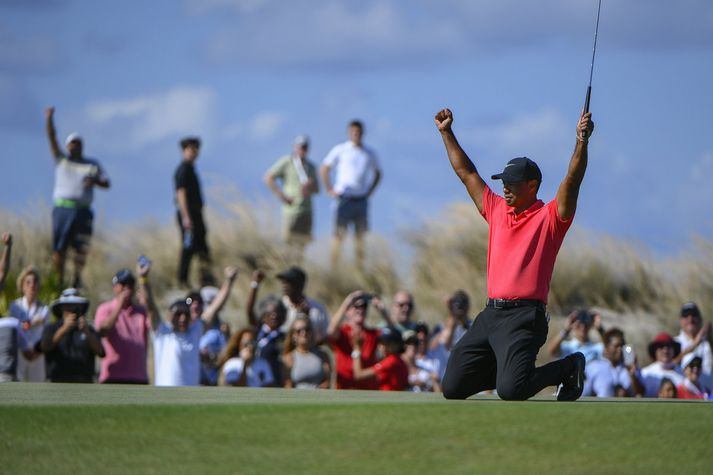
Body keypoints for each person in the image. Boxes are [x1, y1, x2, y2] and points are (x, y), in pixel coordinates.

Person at [435, 107, 594, 401]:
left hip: (524, 317)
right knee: (453, 387)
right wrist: (446, 132)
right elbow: (466, 173)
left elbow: (572, 179)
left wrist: (581, 141)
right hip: (491, 314)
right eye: (503, 183)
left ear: (532, 186)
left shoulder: (551, 217)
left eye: (512, 183)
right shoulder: (496, 209)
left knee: (512, 390)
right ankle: (507, 366)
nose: (505, 188)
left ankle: (568, 367)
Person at [45, 107, 110, 288]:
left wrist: (95, 182)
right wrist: (49, 119)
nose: (74, 146)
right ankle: (58, 280)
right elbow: (51, 137)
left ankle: (76, 279)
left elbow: (107, 183)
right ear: (68, 146)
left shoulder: (92, 164)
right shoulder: (62, 160)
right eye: (72, 143)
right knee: (59, 247)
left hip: (83, 210)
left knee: (81, 248)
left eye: (77, 143)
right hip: (62, 209)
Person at [320, 120, 382, 269]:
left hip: (361, 199)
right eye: (353, 132)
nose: (356, 134)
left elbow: (378, 173)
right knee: (338, 236)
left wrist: (370, 191)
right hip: (344, 198)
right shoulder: (341, 150)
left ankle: (359, 269)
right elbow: (324, 168)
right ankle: (333, 269)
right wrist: (329, 188)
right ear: (349, 133)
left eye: (358, 132)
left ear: (362, 133)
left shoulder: (369, 152)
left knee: (360, 238)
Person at [264, 135, 320, 262]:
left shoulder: (311, 167)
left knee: (302, 245)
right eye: (300, 147)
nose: (302, 150)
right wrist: (282, 195)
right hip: (291, 211)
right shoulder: (287, 162)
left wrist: (310, 185)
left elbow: (317, 190)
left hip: (307, 210)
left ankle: (298, 270)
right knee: (287, 244)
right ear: (294, 147)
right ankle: (284, 267)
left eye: (305, 147)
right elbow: (269, 177)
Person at [94, 268, 151, 384]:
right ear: (115, 287)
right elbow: (103, 331)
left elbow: (154, 324)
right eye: (123, 284)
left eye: (130, 285)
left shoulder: (141, 311)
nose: (127, 288)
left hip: (138, 378)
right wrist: (119, 306)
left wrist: (144, 280)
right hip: (112, 377)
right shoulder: (105, 309)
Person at [184, 267, 238, 385]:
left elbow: (215, 307)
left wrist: (229, 281)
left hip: (205, 382)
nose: (195, 305)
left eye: (199, 302)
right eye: (190, 301)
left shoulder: (199, 326)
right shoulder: (176, 327)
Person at [251, 266, 329, 344]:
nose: (284, 286)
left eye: (289, 282)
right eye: (283, 282)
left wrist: (306, 319)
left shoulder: (317, 309)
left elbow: (325, 336)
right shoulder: (279, 307)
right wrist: (255, 284)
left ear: (300, 285)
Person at [174, 136, 214, 288]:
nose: (194, 152)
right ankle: (182, 280)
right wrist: (186, 217)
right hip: (189, 215)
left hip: (195, 214)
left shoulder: (190, 169)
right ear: (184, 150)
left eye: (196, 149)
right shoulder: (183, 169)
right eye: (191, 148)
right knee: (188, 247)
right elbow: (181, 194)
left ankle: (206, 279)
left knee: (202, 247)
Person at [41, 288, 105, 383]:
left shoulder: (88, 329)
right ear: (61, 308)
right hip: (57, 382)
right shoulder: (51, 328)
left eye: (75, 306)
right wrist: (64, 329)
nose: (72, 310)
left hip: (84, 382)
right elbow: (45, 347)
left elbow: (100, 352)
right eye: (68, 306)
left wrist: (86, 332)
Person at [327, 291, 381, 390]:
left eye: (364, 306)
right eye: (356, 306)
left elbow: (395, 336)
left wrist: (381, 309)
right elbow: (330, 331)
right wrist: (347, 301)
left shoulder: (372, 334)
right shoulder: (342, 332)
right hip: (345, 388)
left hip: (368, 390)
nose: (361, 310)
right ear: (347, 311)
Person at [9, 266, 50, 382]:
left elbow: (45, 334)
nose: (32, 285)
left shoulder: (44, 309)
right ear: (22, 286)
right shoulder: (15, 307)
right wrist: (31, 323)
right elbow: (15, 330)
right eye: (28, 282)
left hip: (37, 355)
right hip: (19, 354)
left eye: (35, 282)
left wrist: (37, 353)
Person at [582, 328, 643, 398]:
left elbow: (640, 393)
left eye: (622, 346)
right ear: (606, 347)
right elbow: (584, 394)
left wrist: (632, 375)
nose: (620, 349)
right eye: (616, 346)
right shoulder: (593, 367)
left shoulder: (631, 366)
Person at [246, 294, 287, 387]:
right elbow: (249, 311)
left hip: (274, 382)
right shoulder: (258, 332)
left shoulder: (283, 337)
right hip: (254, 380)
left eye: (277, 313)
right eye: (270, 313)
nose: (274, 316)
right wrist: (255, 285)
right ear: (263, 316)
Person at [351, 327, 409, 391]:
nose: (382, 346)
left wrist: (356, 349)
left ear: (397, 344)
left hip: (389, 399)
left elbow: (358, 375)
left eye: (387, 343)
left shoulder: (392, 361)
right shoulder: (396, 359)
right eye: (381, 342)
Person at [282, 316, 331, 389]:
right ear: (293, 335)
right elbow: (287, 385)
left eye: (307, 329)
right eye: (299, 331)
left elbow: (328, 381)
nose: (303, 333)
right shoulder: (289, 358)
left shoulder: (322, 355)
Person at [673, 302, 713, 389]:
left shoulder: (707, 343)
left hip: (707, 394)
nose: (690, 319)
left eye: (694, 315)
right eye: (686, 316)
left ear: (700, 319)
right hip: (684, 394)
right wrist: (695, 344)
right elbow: (671, 364)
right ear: (680, 321)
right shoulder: (674, 342)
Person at [640, 333, 684, 398]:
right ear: (655, 351)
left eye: (668, 346)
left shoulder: (683, 374)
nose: (665, 351)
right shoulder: (645, 373)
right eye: (661, 347)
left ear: (674, 350)